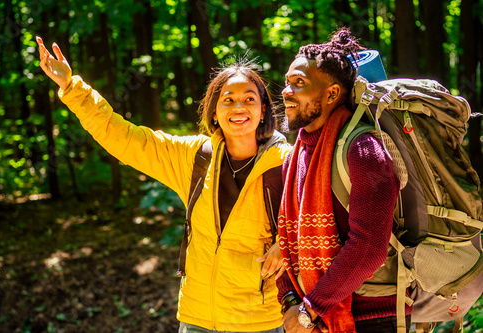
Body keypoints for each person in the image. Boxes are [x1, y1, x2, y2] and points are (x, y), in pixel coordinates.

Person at [36, 36, 292, 332]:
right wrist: (72, 87)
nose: (239, 107)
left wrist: (288, 242)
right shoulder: (195, 156)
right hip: (197, 318)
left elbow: (326, 218)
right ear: (214, 111)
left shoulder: (288, 162)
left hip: (260, 321)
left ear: (263, 110)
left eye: (249, 99)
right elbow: (125, 137)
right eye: (228, 100)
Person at [276, 27, 412, 333]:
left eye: (299, 83)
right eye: (288, 82)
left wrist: (309, 309)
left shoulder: (364, 151)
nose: (286, 90)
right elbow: (286, 242)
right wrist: (290, 301)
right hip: (316, 316)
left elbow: (369, 247)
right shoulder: (293, 157)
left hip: (373, 317)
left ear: (332, 93)